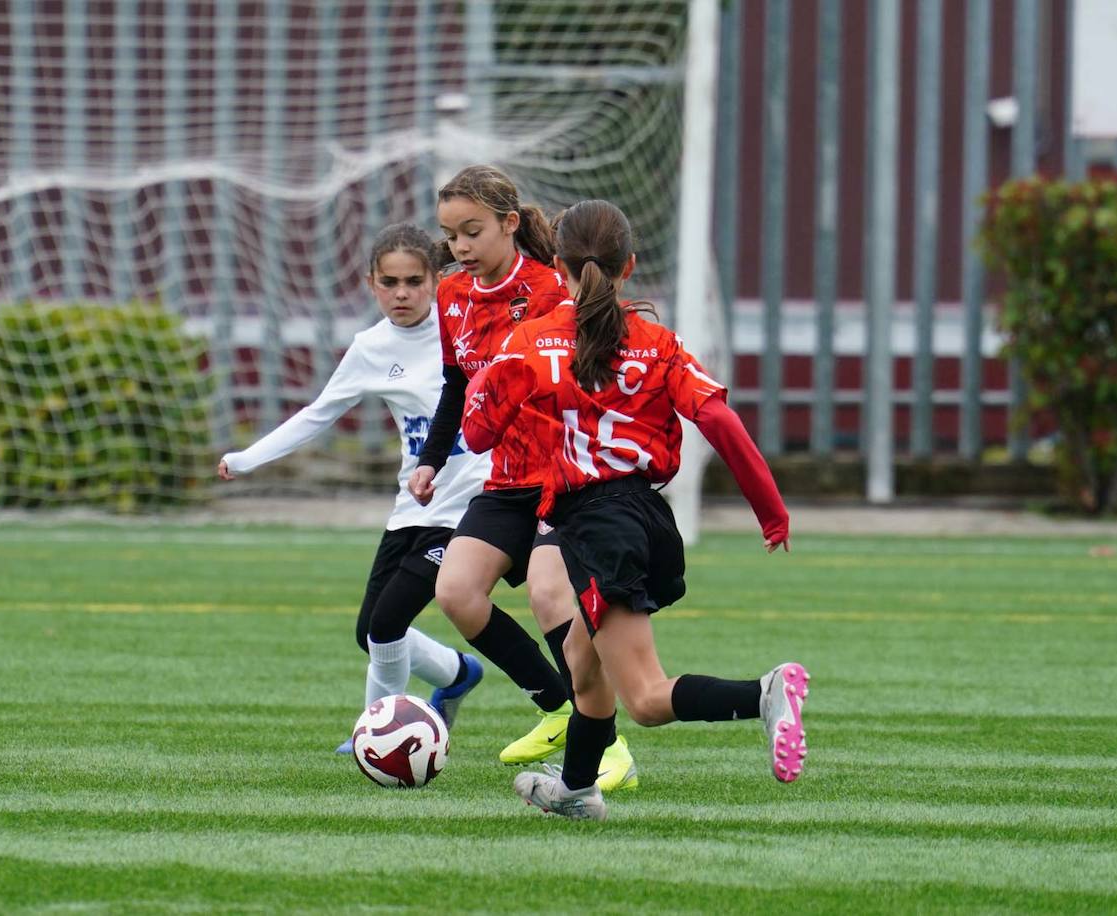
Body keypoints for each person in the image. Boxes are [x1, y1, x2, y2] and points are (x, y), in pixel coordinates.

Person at [461, 199, 807, 821]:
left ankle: (764, 694)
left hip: (597, 524)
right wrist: (771, 512)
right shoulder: (657, 342)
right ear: (630, 267)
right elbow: (719, 418)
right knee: (581, 667)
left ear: (559, 266)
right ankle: (575, 789)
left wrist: (486, 385)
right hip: (646, 515)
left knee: (645, 698)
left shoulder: (532, 341)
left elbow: (481, 435)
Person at [408, 165, 636, 792]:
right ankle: (560, 709)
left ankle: (610, 745)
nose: (460, 247)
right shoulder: (452, 296)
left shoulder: (550, 290)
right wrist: (431, 458)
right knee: (456, 591)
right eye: (452, 235)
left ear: (510, 224)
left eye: (472, 231)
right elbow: (457, 384)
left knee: (549, 597)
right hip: (506, 478)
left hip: (561, 478)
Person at [217, 223, 486, 753]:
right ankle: (457, 672)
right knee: (370, 632)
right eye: (391, 282)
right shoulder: (370, 347)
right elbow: (318, 414)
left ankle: (378, 735)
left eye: (414, 281)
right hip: (414, 505)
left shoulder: (467, 330)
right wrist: (247, 458)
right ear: (371, 284)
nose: (402, 293)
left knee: (387, 624)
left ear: (436, 280)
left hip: (474, 506)